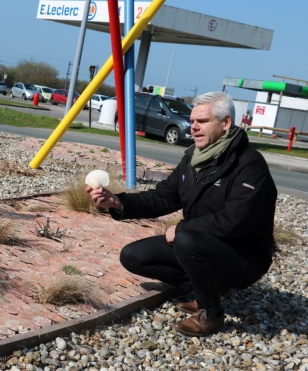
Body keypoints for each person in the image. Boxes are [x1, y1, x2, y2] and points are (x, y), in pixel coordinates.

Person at [88, 91, 277, 337]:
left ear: (226, 123)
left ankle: (211, 314)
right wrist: (117, 202)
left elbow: (235, 222)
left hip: (243, 257)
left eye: (203, 121)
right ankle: (208, 288)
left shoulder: (250, 165)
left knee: (186, 239)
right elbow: (163, 197)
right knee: (132, 256)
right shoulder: (193, 158)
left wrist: (182, 229)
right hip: (200, 245)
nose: (194, 127)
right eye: (193, 121)